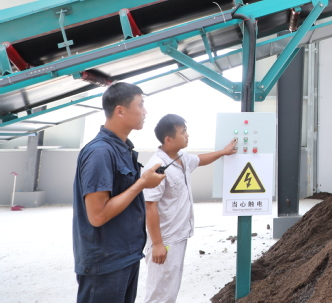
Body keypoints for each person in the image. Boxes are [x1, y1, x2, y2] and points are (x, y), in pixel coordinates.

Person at [73, 82, 166, 303]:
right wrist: (141, 184)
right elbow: (97, 216)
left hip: (126, 256)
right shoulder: (100, 152)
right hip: (105, 264)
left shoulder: (122, 149)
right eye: (140, 105)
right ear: (120, 111)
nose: (145, 112)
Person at [143, 114, 237, 303]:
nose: (187, 135)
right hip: (166, 239)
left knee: (170, 289)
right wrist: (157, 244)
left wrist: (223, 152)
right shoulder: (157, 167)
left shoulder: (181, 158)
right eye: (183, 132)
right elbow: (150, 206)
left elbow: (199, 160)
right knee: (159, 292)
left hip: (179, 235)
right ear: (169, 139)